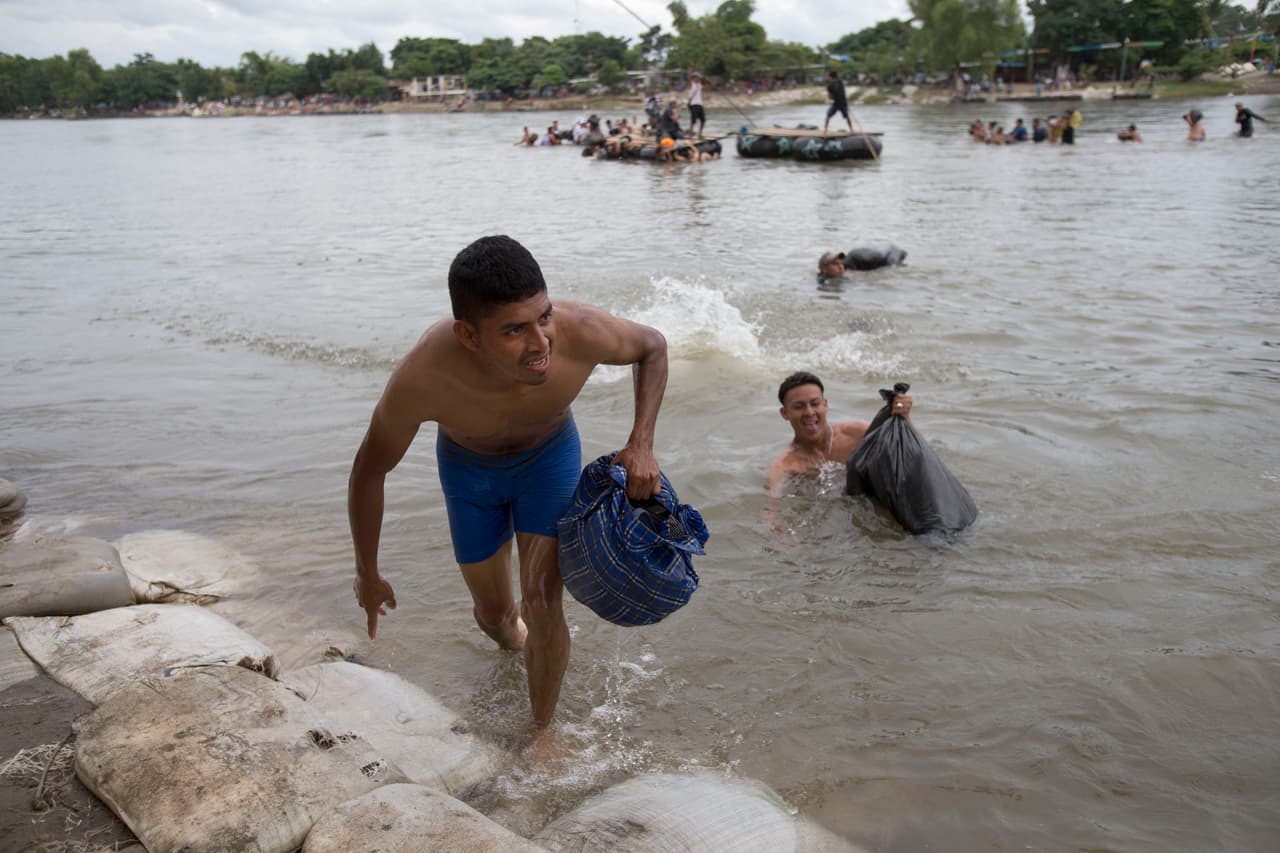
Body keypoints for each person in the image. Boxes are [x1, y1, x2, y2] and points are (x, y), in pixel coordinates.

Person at [349, 235, 668, 736]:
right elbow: (370, 469)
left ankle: (541, 728)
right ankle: (518, 644)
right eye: (515, 331)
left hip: (549, 457)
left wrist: (641, 442)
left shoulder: (580, 330)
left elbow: (652, 347)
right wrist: (367, 572)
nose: (541, 343)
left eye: (543, 317)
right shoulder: (425, 377)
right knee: (494, 616)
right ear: (469, 336)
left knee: (542, 598)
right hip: (468, 470)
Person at [766, 371, 911, 496]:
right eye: (799, 407)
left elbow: (912, 453)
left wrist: (904, 417)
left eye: (815, 403)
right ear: (785, 413)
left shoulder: (858, 433)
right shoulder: (785, 466)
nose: (809, 412)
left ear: (825, 404)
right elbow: (772, 507)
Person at [687, 71, 706, 138]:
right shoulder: (691, 84)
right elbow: (689, 77)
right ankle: (690, 135)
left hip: (700, 104)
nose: (697, 79)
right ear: (693, 78)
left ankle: (700, 134)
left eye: (698, 78)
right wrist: (690, 68)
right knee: (693, 121)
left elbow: (704, 81)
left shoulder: (699, 85)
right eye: (696, 78)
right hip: (693, 104)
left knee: (703, 120)